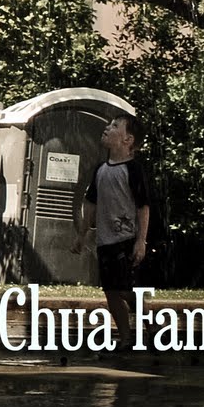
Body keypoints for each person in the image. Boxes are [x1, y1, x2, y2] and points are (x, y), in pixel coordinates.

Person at [71, 114, 152, 349]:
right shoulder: (101, 169)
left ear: (128, 140)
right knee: (111, 291)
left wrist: (141, 240)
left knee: (124, 289)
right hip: (104, 240)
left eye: (115, 126)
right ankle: (126, 338)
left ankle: (152, 328)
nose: (107, 128)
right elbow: (91, 204)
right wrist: (82, 234)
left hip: (126, 238)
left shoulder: (133, 169)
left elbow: (143, 206)